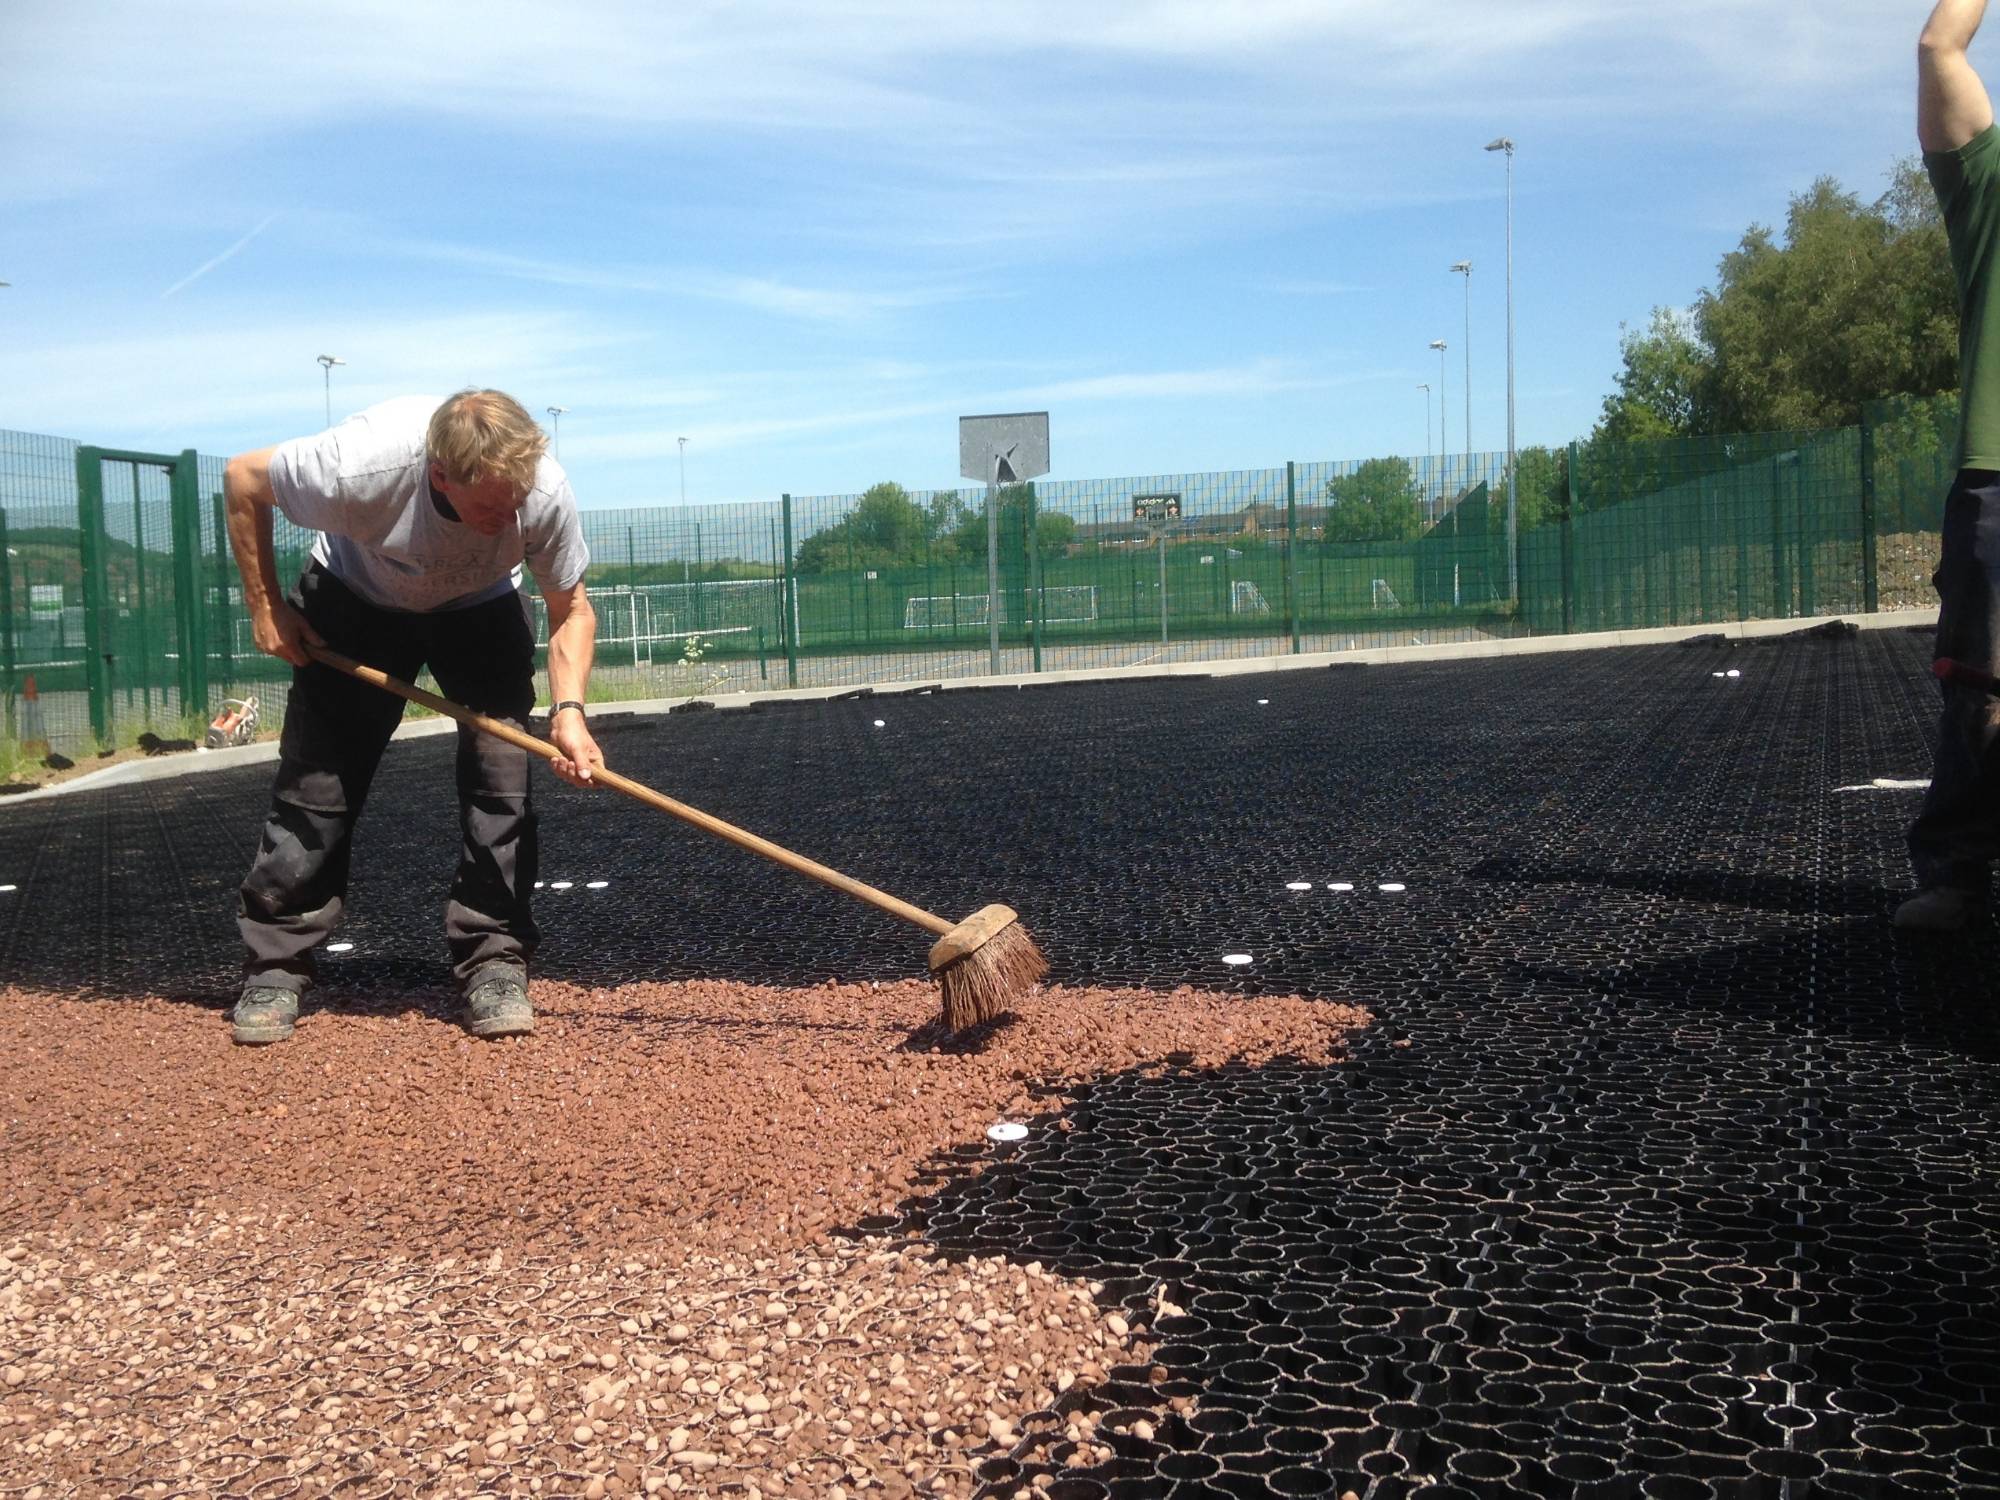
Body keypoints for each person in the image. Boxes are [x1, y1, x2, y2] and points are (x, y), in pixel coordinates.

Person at [223, 389, 605, 1041]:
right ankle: (275, 968)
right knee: (317, 788)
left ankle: (495, 963)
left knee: (501, 783)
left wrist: (571, 712)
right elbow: (242, 479)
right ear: (439, 474)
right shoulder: (357, 467)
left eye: (514, 499)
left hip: (480, 609)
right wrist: (265, 608)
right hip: (355, 597)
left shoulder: (541, 492)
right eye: (488, 503)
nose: (506, 513)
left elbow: (571, 610)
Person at [1903, 0, 2000, 930]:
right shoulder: (1991, 184)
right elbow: (1941, 44)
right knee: (1982, 683)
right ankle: (1961, 875)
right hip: (1999, 474)